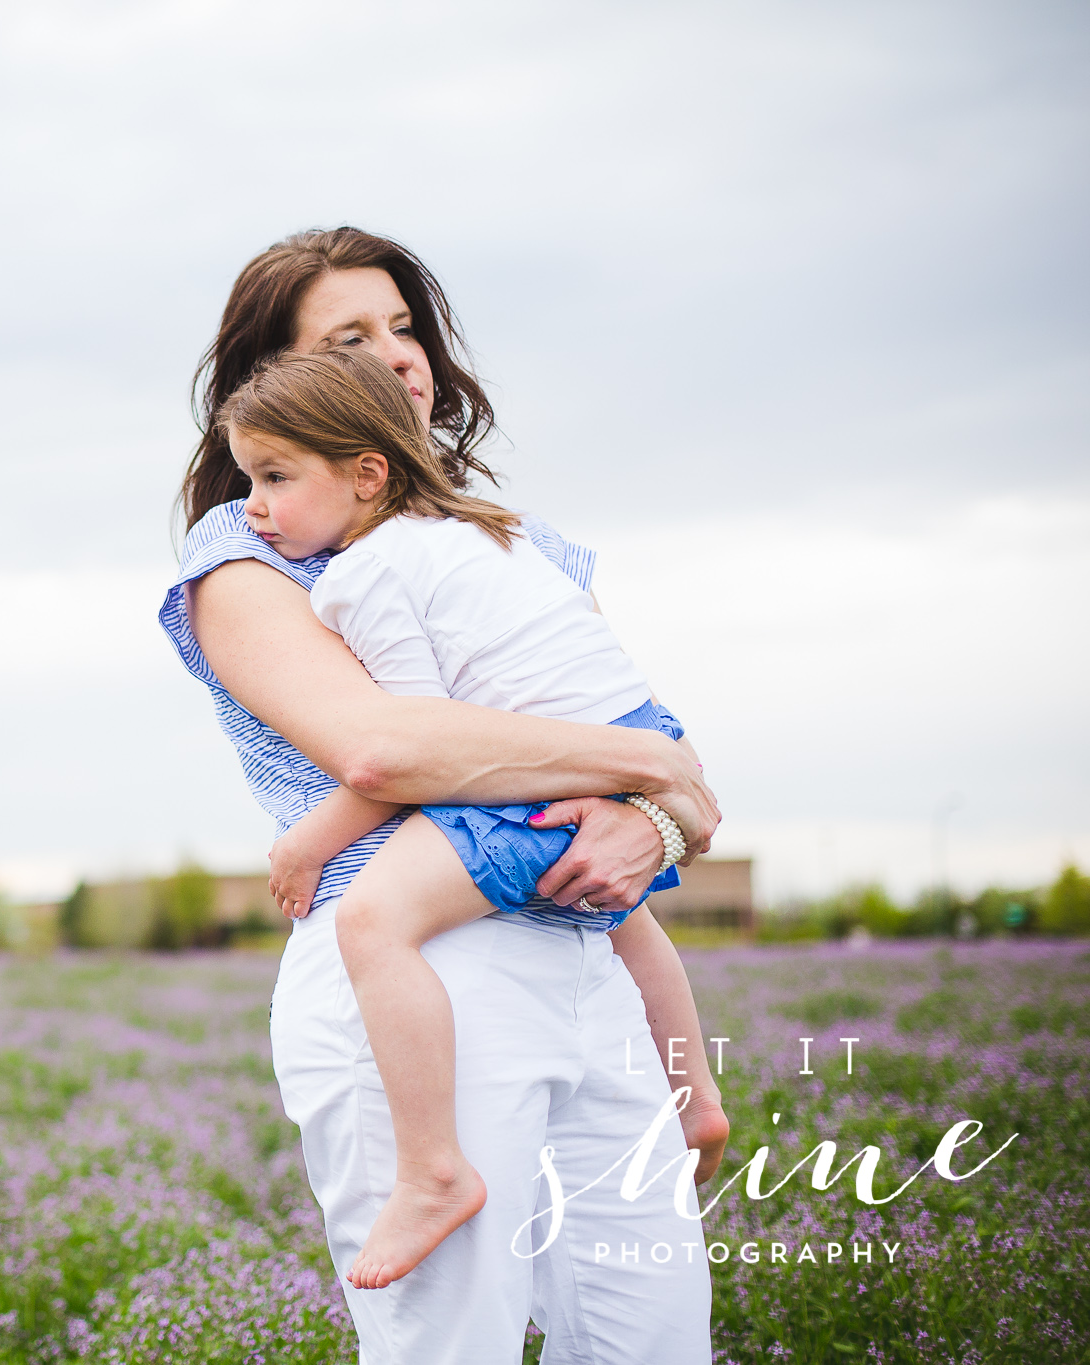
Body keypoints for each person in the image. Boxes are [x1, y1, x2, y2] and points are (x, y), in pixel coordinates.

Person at [158, 226, 727, 1361]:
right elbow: (383, 748)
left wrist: (651, 812)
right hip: (423, 970)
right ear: (276, 381)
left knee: (652, 1341)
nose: (401, 354)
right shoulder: (250, 554)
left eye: (407, 328)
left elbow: (614, 731)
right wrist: (656, 773)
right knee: (446, 1346)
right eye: (352, 336)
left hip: (584, 952)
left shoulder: (510, 540)